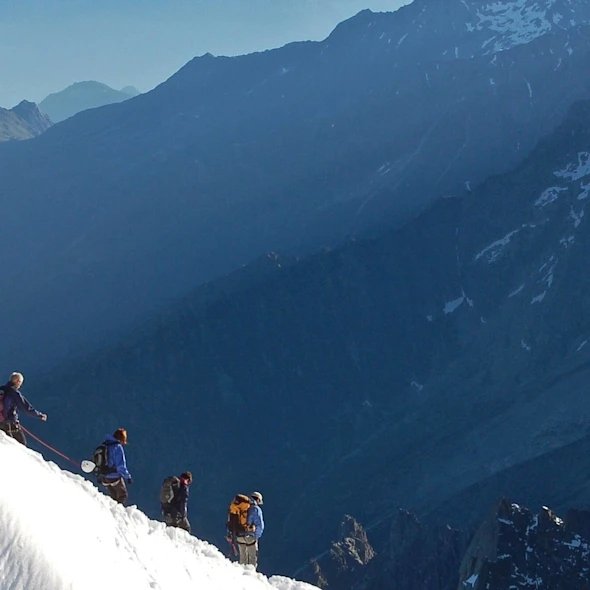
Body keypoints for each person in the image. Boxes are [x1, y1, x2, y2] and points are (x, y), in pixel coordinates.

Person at [0, 372, 47, 445]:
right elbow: (26, 408)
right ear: (18, 381)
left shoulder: (1, 390)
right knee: (21, 446)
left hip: (1, 424)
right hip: (10, 425)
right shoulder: (14, 392)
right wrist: (40, 415)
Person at [227, 491, 265, 569]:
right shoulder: (256, 509)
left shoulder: (240, 506)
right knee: (252, 558)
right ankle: (251, 577)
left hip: (239, 535)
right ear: (258, 500)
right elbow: (260, 525)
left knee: (242, 558)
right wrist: (256, 536)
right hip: (250, 536)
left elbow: (231, 520)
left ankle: (241, 574)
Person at [97, 428, 132, 504]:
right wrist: (128, 477)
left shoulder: (105, 444)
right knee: (123, 495)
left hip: (103, 477)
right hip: (114, 477)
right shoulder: (117, 448)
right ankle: (116, 514)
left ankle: (111, 511)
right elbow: (121, 466)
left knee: (114, 498)